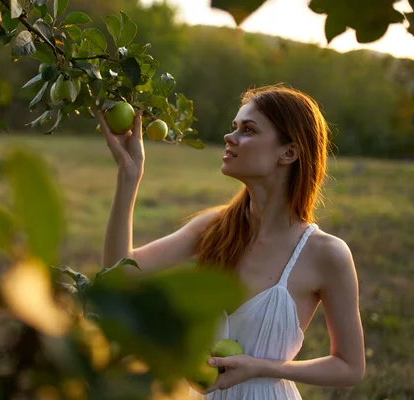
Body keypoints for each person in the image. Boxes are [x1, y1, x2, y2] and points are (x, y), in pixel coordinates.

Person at [96, 84, 366, 399]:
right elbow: (118, 275)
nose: (230, 137)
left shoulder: (326, 253)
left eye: (248, 130)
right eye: (233, 127)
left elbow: (350, 367)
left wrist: (263, 367)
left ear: (289, 152)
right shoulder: (213, 228)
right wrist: (129, 175)